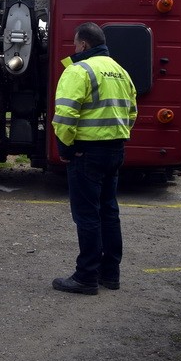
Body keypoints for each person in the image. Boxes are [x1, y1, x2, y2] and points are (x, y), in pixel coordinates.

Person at [51, 22, 138, 295]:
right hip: (115, 150)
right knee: (109, 213)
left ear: (84, 45)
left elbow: (65, 117)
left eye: (75, 44)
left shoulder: (79, 70)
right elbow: (132, 112)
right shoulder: (121, 72)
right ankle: (110, 273)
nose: (74, 49)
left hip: (86, 152)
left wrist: (65, 149)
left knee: (87, 216)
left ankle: (86, 276)